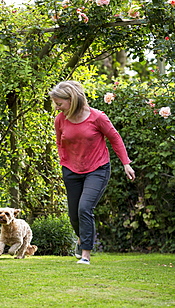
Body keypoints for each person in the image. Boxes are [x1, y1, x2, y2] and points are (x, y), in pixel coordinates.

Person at [49, 80, 135, 265]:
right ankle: (82, 239)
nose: (57, 108)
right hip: (71, 170)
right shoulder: (60, 119)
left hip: (97, 169)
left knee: (84, 208)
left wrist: (126, 163)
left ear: (71, 100)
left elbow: (115, 138)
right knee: (73, 214)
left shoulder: (97, 117)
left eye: (59, 103)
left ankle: (85, 255)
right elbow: (59, 142)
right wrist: (64, 162)